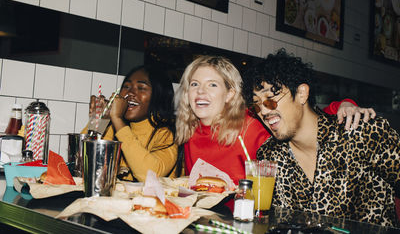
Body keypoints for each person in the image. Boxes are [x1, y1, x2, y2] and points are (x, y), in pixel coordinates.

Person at [242, 49, 400, 226]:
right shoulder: (269, 156)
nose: (263, 111)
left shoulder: (363, 133)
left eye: (270, 99)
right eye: (256, 105)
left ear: (302, 93)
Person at [175, 55, 375, 185]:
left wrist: (344, 104)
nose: (200, 91)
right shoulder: (188, 131)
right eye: (194, 84)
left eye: (212, 85)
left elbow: (302, 115)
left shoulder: (251, 123)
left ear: (229, 94)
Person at [83, 65, 178, 182]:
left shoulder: (167, 133)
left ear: (159, 96)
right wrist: (99, 121)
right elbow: (84, 164)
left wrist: (117, 119)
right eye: (126, 86)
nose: (130, 93)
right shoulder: (113, 127)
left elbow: (150, 175)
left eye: (141, 88)